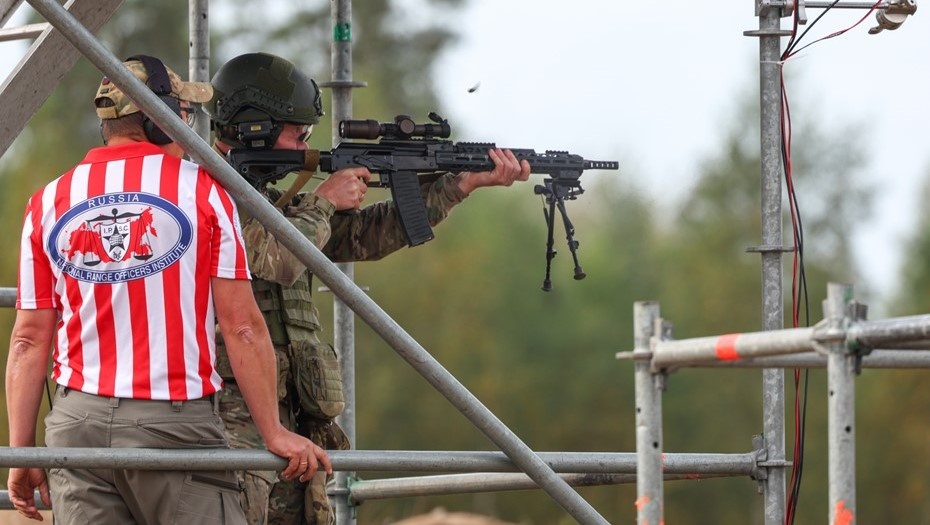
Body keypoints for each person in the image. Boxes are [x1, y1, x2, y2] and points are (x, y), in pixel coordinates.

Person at [203, 52, 530, 525]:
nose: (305, 146)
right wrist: (322, 200)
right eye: (298, 133)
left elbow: (361, 237)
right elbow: (277, 260)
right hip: (232, 421)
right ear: (255, 128)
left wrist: (458, 185)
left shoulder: (272, 199)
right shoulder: (203, 194)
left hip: (290, 417)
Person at [5, 54, 331, 524]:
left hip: (77, 427)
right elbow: (241, 326)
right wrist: (274, 432)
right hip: (174, 425)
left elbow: (27, 339)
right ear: (158, 121)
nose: (186, 123)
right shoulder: (205, 192)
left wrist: (21, 451)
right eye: (180, 112)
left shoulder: (49, 200)